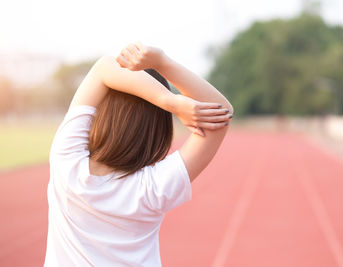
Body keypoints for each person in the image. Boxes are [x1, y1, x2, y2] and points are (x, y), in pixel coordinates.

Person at [44, 42, 233, 266]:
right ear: (158, 131)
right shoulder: (153, 187)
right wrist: (163, 63)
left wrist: (170, 102)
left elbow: (104, 68)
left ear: (103, 113)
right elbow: (222, 112)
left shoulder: (67, 161)